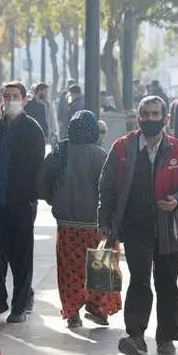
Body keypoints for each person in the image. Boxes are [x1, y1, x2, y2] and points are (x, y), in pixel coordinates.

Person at [98, 95, 178, 355]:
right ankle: (135, 336)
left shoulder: (177, 149)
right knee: (140, 280)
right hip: (135, 226)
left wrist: (177, 200)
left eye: (156, 114)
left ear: (165, 118)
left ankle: (166, 337)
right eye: (146, 114)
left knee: (167, 282)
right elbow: (107, 185)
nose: (150, 119)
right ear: (138, 117)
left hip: (169, 228)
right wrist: (105, 222)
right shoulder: (122, 147)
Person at [38, 110, 121, 328]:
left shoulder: (59, 151)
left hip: (66, 224)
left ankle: (72, 311)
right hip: (94, 224)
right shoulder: (99, 154)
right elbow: (107, 189)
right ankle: (97, 307)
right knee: (101, 263)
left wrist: (55, 200)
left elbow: (42, 184)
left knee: (69, 269)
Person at [0, 81, 45, 322]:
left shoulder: (32, 129)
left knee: (20, 255)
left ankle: (20, 305)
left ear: (25, 99)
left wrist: (30, 196)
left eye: (15, 96)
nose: (10, 100)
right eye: (6, 96)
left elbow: (38, 167)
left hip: (21, 202)